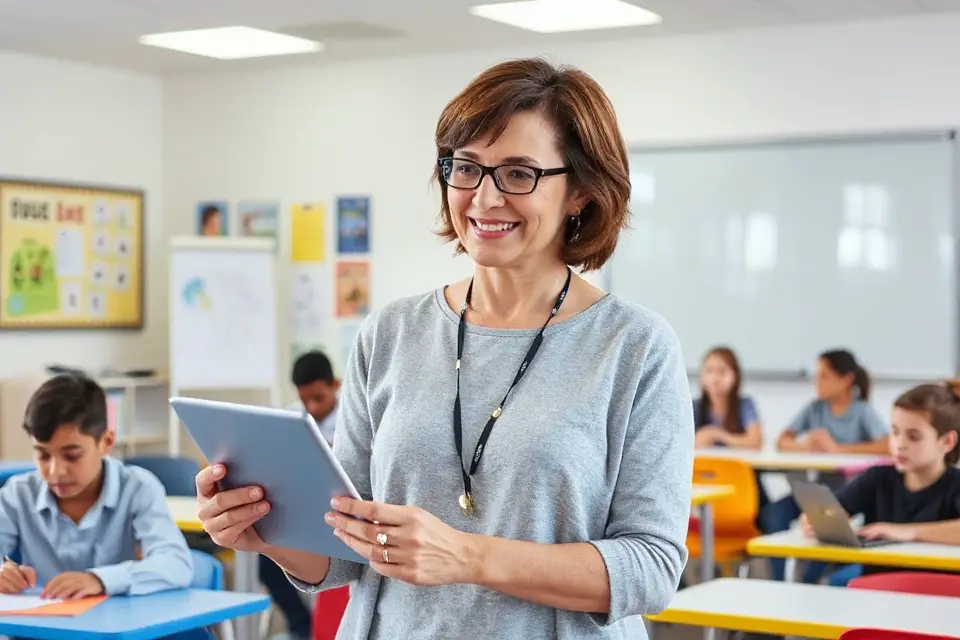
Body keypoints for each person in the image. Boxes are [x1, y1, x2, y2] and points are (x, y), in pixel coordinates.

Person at [194, 57, 694, 639]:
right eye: (467, 168)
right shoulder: (390, 333)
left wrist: (468, 556)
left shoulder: (635, 346)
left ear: (580, 192)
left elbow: (652, 569)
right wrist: (267, 532)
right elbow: (345, 550)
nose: (484, 197)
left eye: (518, 174)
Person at [0, 374, 193, 597]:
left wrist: (100, 579)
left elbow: (176, 563)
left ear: (106, 442)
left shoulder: (138, 488)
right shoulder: (18, 494)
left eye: (72, 456)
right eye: (43, 456)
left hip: (117, 618)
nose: (55, 471)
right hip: (40, 617)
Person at [799, 380, 960, 585]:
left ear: (947, 442)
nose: (900, 444)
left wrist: (904, 532)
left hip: (937, 592)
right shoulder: (877, 478)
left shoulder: (955, 484)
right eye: (895, 432)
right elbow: (834, 510)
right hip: (876, 587)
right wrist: (816, 520)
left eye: (914, 437)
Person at [761, 348, 890, 581]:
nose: (817, 382)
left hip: (845, 498)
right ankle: (778, 580)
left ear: (846, 380)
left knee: (824, 525)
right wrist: (804, 445)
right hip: (817, 494)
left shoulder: (862, 410)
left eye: (824, 376)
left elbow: (886, 445)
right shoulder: (815, 408)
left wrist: (838, 449)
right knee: (774, 513)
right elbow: (782, 440)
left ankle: (807, 582)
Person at [259, 350, 340, 640]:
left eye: (319, 398)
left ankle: (324, 627)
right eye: (305, 399)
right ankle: (301, 625)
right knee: (266, 559)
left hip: (335, 513)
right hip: (299, 509)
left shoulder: (353, 419)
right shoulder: (291, 417)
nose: (312, 407)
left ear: (336, 385)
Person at [693, 346, 763, 450]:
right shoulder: (694, 407)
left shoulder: (744, 405)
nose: (715, 379)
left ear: (735, 376)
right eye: (709, 371)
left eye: (722, 372)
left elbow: (756, 441)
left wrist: (718, 434)